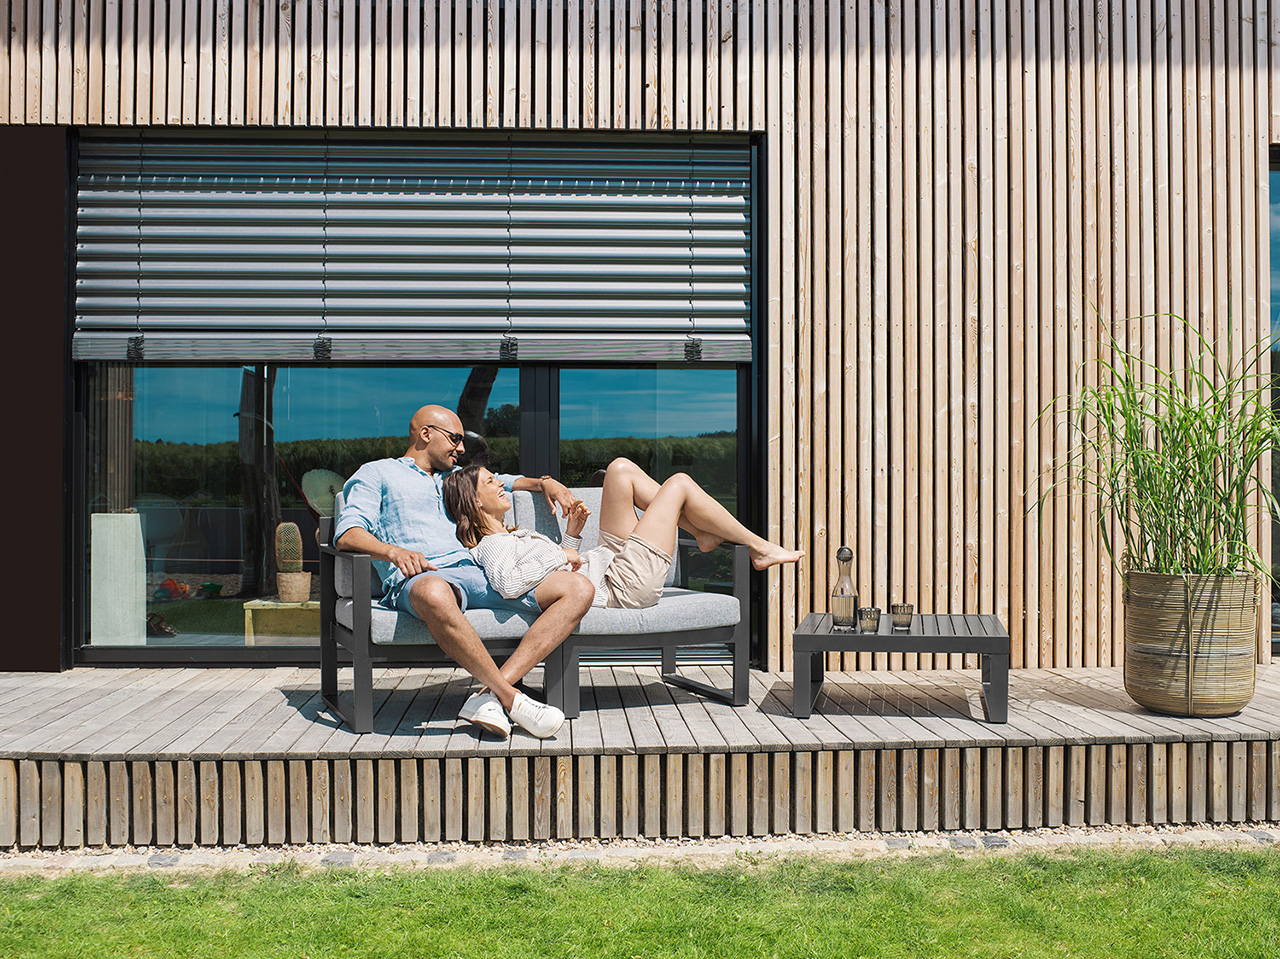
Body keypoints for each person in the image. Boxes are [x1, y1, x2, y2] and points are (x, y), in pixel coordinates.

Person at [334, 405, 593, 740]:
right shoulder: (377, 474)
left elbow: (501, 482)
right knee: (434, 592)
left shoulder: (451, 480)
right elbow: (347, 533)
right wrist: (393, 552)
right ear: (426, 434)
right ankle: (512, 697)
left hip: (480, 573)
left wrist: (545, 482)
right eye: (455, 439)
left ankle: (489, 695)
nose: (461, 449)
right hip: (423, 577)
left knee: (579, 587)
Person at [443, 457, 805, 611]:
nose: (501, 485)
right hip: (622, 587)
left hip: (607, 562)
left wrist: (571, 538)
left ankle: (700, 532)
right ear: (472, 503)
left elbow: (564, 566)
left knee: (620, 470)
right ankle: (758, 546)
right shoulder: (490, 546)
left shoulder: (509, 534)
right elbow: (509, 582)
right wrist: (561, 554)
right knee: (678, 484)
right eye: (491, 482)